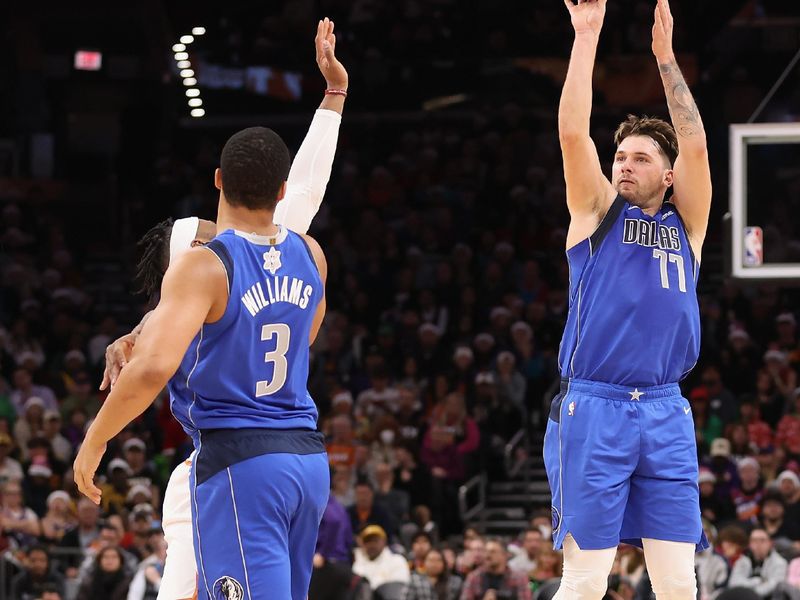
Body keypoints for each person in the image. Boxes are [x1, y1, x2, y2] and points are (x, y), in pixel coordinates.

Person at [73, 20, 346, 600]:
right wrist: (333, 96)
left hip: (239, 462)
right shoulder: (310, 252)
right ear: (278, 191)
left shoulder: (205, 265)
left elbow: (153, 368)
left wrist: (94, 442)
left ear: (217, 180)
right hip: (305, 459)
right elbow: (304, 332)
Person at [545, 0, 712, 597]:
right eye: (621, 156)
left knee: (677, 581)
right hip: (596, 406)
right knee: (586, 579)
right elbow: (571, 133)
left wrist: (665, 59)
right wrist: (586, 35)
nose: (625, 165)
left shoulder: (685, 228)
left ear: (667, 176)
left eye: (641, 158)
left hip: (666, 409)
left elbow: (694, 148)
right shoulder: (595, 213)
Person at [460, 538, 532, 600]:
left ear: (504, 555)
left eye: (492, 552)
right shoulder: (474, 577)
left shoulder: (519, 578)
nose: (487, 555)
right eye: (486, 551)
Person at [728, 527, 788, 598]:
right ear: (749, 544)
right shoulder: (742, 560)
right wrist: (758, 581)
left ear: (770, 543)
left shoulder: (780, 562)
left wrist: (749, 594)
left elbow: (774, 586)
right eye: (754, 540)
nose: (758, 544)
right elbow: (733, 583)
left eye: (762, 540)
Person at [352, 525, 410, 591]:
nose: (371, 545)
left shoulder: (397, 561)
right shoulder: (357, 565)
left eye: (375, 540)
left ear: (384, 542)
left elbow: (399, 589)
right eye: (367, 541)